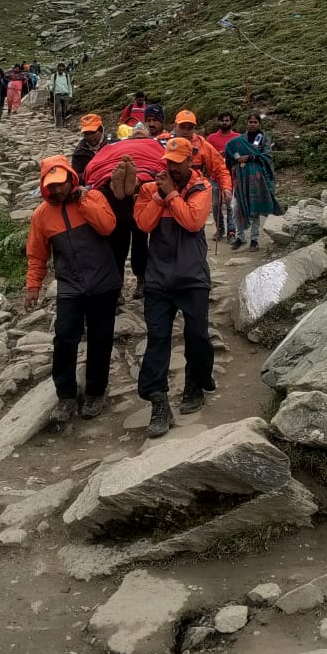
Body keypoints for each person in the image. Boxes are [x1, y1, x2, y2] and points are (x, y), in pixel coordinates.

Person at [24, 156, 121, 423]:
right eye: (51, 185)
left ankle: (95, 392)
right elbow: (36, 255)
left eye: (61, 184)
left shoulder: (94, 198)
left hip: (103, 281)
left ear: (71, 179)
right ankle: (65, 395)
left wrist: (84, 201)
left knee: (100, 340)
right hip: (70, 286)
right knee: (65, 338)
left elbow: (108, 226)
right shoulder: (41, 216)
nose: (56, 190)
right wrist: (33, 286)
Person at [134, 136, 215, 436]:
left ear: (190, 161)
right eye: (168, 163)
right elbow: (143, 224)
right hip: (158, 280)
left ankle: (196, 382)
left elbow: (193, 221)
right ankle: (158, 401)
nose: (172, 169)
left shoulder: (202, 187)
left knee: (197, 337)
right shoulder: (150, 189)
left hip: (192, 277)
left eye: (178, 164)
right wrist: (159, 196)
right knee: (157, 339)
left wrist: (171, 195)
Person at [83, 137, 165, 302]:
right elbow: (164, 165)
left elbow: (90, 169)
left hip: (112, 193)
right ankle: (136, 181)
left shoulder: (111, 146)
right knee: (141, 240)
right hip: (142, 195)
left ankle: (117, 286)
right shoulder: (153, 143)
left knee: (117, 242)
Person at [227, 113, 282, 252]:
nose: (252, 124)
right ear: (247, 122)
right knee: (236, 206)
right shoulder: (240, 139)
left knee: (255, 208)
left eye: (255, 122)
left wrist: (251, 156)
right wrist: (237, 158)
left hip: (257, 177)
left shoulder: (263, 138)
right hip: (240, 177)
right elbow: (231, 152)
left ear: (259, 123)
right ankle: (240, 237)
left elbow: (267, 155)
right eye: (250, 121)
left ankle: (254, 239)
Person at [172, 109, 232, 215]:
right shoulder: (165, 142)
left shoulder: (202, 145)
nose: (186, 131)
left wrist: (226, 187)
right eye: (182, 127)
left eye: (190, 128)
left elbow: (220, 167)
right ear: (175, 127)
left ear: (194, 128)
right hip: (172, 191)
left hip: (194, 192)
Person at [206, 112, 237, 241]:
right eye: (222, 120)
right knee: (215, 204)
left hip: (232, 176)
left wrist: (229, 155)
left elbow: (240, 154)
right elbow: (207, 156)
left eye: (227, 120)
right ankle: (219, 228)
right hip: (215, 176)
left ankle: (231, 230)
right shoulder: (211, 138)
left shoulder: (237, 137)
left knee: (230, 204)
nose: (225, 123)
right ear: (218, 122)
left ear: (231, 122)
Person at [71, 113, 110, 181]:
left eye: (92, 133)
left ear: (101, 130)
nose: (89, 137)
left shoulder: (112, 145)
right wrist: (92, 174)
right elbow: (75, 177)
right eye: (86, 134)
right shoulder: (79, 153)